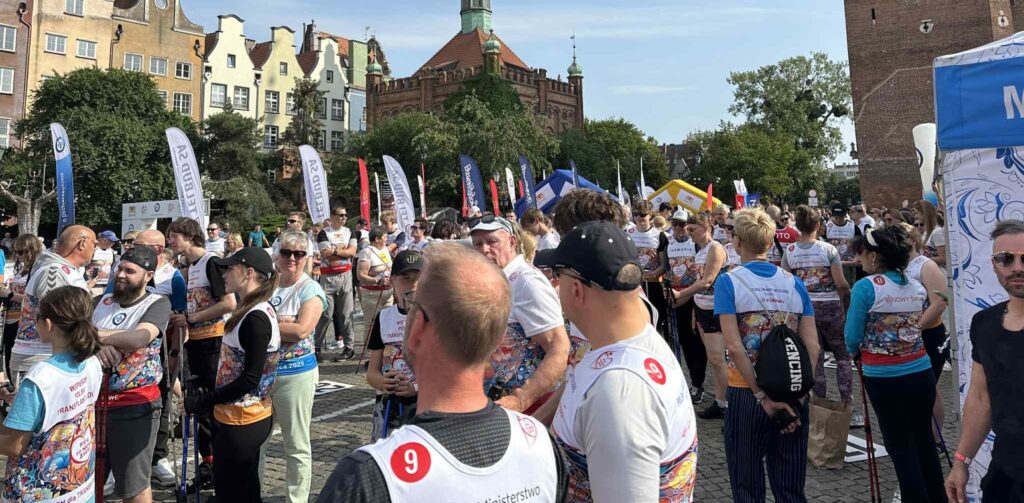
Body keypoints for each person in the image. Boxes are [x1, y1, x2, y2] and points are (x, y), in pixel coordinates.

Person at [317, 243, 568, 502]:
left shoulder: (371, 475)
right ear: (497, 337)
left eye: (414, 303)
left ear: (416, 329)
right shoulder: (542, 444)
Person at [539, 221, 698, 501]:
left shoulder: (618, 393)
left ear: (576, 289)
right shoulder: (636, 342)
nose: (553, 285)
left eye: (556, 275)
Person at [715, 208, 819, 502]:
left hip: (746, 390)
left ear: (737, 242)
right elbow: (812, 345)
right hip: (791, 388)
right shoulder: (794, 282)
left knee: (747, 482)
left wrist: (761, 396)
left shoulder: (729, 281)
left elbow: (734, 346)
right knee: (790, 484)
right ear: (771, 242)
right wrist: (800, 394)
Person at [845, 225, 945, 502]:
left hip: (883, 375)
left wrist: (854, 351)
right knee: (923, 438)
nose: (860, 258)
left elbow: (852, 335)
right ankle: (937, 496)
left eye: (862, 252)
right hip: (920, 370)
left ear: (874, 256)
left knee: (900, 443)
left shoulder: (865, 286)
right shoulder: (915, 285)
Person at [185, 247, 280, 502]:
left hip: (244, 420)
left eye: (230, 268)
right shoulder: (249, 309)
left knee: (233, 492)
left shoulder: (255, 317)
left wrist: (204, 400)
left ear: (249, 273)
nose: (224, 274)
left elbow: (250, 379)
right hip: (238, 416)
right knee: (244, 491)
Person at [0, 286, 103, 503]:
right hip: (80, 487)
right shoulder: (93, 362)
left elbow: (15, 446)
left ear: (47, 324)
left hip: (38, 493)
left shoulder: (40, 377)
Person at [946, 219, 1024, 501]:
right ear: (994, 264)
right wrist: (961, 462)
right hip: (1004, 474)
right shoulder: (985, 323)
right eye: (1006, 259)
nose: (1017, 267)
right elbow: (980, 398)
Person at [92, 247, 171, 503]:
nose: (121, 275)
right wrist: (97, 345)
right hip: (93, 403)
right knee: (89, 479)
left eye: (130, 271)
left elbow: (138, 338)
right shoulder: (100, 302)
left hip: (134, 405)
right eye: (119, 269)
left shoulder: (157, 303)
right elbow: (71, 333)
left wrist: (93, 337)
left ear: (148, 276)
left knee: (133, 485)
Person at [469, 215, 568, 414]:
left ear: (512, 242)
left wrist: (520, 399)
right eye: (477, 244)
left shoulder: (526, 282)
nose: (484, 249)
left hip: (530, 409)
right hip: (496, 406)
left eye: (492, 241)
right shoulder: (495, 279)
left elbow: (559, 348)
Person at [167, 217, 237, 491]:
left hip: (214, 341)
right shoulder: (190, 266)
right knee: (199, 406)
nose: (171, 241)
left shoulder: (211, 262)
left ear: (190, 236)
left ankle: (219, 468)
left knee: (210, 404)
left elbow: (228, 303)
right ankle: (208, 466)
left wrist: (192, 318)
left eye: (174, 236)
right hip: (196, 342)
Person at [263, 230, 326, 503]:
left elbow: (301, 330)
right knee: (256, 441)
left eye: (299, 254)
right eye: (287, 252)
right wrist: (281, 326)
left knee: (296, 444)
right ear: (277, 254)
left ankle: (296, 499)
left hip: (295, 373)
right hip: (262, 375)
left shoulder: (310, 289)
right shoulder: (266, 285)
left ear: (306, 257)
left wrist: (261, 325)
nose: (292, 258)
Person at [782, 205, 857, 425]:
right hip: (831, 307)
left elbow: (786, 283)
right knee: (843, 356)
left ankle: (819, 407)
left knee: (815, 358)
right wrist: (847, 301)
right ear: (818, 225)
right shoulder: (828, 249)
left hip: (805, 309)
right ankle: (847, 406)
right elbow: (841, 284)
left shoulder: (790, 251)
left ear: (798, 226)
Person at [124, 230, 188, 488]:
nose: (131, 247)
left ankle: (158, 458)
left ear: (158, 249)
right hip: (126, 348)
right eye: (132, 243)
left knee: (160, 401)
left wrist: (175, 353)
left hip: (159, 348)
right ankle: (118, 463)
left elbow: (181, 319)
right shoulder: (124, 269)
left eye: (138, 244)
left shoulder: (173, 277)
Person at [9, 226, 93, 380]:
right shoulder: (53, 271)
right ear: (82, 243)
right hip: (40, 358)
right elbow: (56, 317)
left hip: (53, 356)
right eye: (94, 244)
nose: (94, 250)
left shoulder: (64, 270)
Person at [676, 213, 729, 419]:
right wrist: (693, 309)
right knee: (714, 359)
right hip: (702, 308)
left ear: (706, 227)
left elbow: (707, 281)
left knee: (717, 358)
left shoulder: (715, 248)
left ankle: (728, 403)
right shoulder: (699, 251)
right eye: (688, 229)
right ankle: (721, 401)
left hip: (717, 308)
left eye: (693, 229)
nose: (689, 233)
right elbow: (699, 282)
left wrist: (680, 294)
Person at [366, 250, 422, 441]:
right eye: (406, 278)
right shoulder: (384, 317)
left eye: (419, 278)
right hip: (389, 405)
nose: (413, 284)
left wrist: (415, 387)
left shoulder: (436, 317)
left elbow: (446, 373)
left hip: (424, 403)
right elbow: (372, 373)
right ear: (392, 281)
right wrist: (383, 383)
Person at [665, 209, 706, 401]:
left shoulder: (695, 244)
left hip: (694, 298)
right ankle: (694, 382)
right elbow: (667, 270)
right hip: (676, 298)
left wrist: (686, 295)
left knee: (697, 342)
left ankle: (698, 383)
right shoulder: (668, 242)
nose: (678, 228)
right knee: (685, 342)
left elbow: (701, 276)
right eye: (674, 224)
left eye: (682, 224)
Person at [315, 207, 358, 360]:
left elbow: (352, 252)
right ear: (332, 216)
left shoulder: (350, 232)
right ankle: (316, 347)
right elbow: (325, 255)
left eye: (345, 215)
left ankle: (349, 347)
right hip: (327, 277)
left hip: (345, 276)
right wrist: (341, 251)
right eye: (340, 215)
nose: (344, 217)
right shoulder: (323, 233)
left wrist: (334, 250)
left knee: (346, 314)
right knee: (326, 314)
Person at [0, 235, 41, 380]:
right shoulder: (22, 269)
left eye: (21, 252)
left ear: (31, 250)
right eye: (15, 252)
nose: (17, 255)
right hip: (10, 319)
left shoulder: (38, 270)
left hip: (23, 322)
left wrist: (9, 294)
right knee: (8, 358)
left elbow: (34, 301)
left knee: (17, 363)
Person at [629, 200, 669, 334]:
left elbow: (664, 264)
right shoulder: (627, 233)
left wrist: (654, 273)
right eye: (636, 214)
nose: (638, 217)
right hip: (634, 284)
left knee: (655, 320)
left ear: (650, 215)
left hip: (652, 283)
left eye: (642, 214)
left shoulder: (659, 235)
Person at [356, 228, 395, 349]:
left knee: (388, 324)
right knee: (372, 326)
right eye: (384, 237)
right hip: (372, 294)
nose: (386, 239)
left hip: (388, 292)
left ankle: (386, 353)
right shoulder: (367, 252)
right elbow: (360, 275)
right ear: (377, 239)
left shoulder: (385, 249)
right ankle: (369, 354)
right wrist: (377, 280)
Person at [914, 199, 946, 268]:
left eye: (916, 213)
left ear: (924, 213)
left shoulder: (937, 232)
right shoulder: (926, 232)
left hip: (940, 271)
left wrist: (921, 260)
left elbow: (944, 258)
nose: (915, 216)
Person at [89, 230, 119, 294]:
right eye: (111, 241)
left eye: (114, 241)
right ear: (103, 240)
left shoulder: (111, 252)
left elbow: (113, 267)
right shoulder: (93, 250)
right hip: (94, 285)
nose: (113, 243)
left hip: (107, 285)